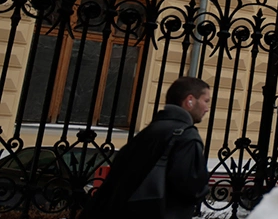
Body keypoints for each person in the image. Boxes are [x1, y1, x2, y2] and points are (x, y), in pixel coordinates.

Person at [83, 77, 211, 219]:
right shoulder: (186, 137)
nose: (206, 108)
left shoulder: (149, 131)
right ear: (190, 100)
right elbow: (190, 187)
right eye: (205, 101)